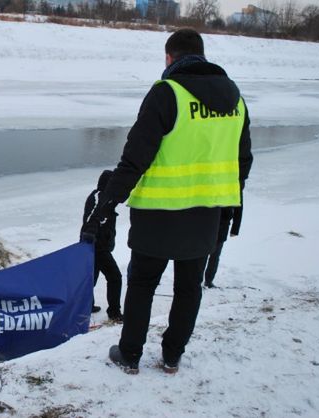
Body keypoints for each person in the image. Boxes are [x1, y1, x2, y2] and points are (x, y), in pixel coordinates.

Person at [81, 28, 253, 374]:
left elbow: (135, 158)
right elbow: (243, 161)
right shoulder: (235, 99)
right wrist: (230, 205)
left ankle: (130, 355)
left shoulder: (166, 93)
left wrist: (106, 204)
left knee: (143, 284)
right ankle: (172, 356)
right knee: (189, 287)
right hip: (207, 213)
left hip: (158, 214)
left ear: (169, 58)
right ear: (202, 55)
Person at [82, 170, 123, 321]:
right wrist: (90, 234)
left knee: (91, 278)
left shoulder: (100, 196)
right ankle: (114, 313)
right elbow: (92, 218)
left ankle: (86, 306)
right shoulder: (100, 197)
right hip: (97, 247)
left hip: (93, 246)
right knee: (115, 278)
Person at [204, 205, 243, 288]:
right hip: (206, 223)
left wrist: (235, 228)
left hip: (222, 225)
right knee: (201, 254)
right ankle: (197, 280)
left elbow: (239, 207)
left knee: (215, 255)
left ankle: (208, 281)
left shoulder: (235, 191)